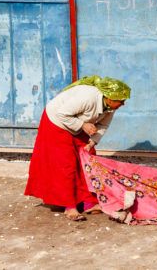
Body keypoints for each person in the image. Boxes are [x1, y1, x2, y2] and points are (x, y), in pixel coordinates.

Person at [24, 75, 131, 221]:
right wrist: (82, 125)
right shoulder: (88, 98)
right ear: (110, 98)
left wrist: (91, 143)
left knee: (89, 160)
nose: (123, 104)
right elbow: (62, 114)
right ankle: (70, 206)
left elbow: (103, 125)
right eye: (121, 101)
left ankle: (89, 202)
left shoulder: (110, 108)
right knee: (65, 164)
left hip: (78, 123)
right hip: (57, 122)